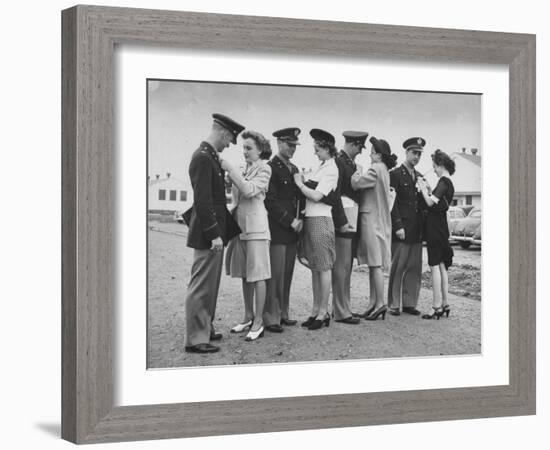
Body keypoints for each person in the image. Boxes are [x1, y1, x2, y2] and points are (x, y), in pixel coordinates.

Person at [184, 113, 245, 354]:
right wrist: (213, 234)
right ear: (222, 132)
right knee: (201, 285)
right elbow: (203, 201)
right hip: (208, 234)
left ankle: (205, 328)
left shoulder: (210, 157)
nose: (229, 144)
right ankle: (196, 339)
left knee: (210, 285)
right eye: (230, 138)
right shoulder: (202, 158)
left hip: (215, 232)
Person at [222, 130, 273, 341]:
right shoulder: (242, 168)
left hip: (257, 229)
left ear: (260, 150)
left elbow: (250, 190)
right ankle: (248, 316)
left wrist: (231, 172)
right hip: (240, 227)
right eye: (243, 147)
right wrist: (229, 179)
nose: (244, 152)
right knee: (245, 274)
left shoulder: (265, 169)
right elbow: (235, 192)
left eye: (249, 148)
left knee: (258, 275)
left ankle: (259, 321)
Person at [293, 129, 339, 330]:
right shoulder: (321, 167)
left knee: (324, 267)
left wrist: (300, 185)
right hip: (312, 219)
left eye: (317, 149)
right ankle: (315, 310)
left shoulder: (331, 169)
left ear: (327, 149)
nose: (315, 153)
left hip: (321, 219)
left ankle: (323, 312)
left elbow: (318, 196)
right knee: (315, 268)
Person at [263, 127, 304, 333]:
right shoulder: (271, 167)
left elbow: (299, 198)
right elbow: (270, 201)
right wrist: (290, 221)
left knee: (287, 273)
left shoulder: (294, 169)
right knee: (276, 274)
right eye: (289, 145)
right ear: (279, 143)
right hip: (279, 228)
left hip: (292, 230)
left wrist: (300, 220)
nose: (292, 149)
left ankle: (284, 312)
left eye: (295, 146)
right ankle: (271, 316)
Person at [351, 136, 397, 320]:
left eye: (372, 152)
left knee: (375, 264)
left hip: (372, 221)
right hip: (380, 221)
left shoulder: (375, 169)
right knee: (373, 264)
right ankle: (373, 303)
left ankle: (379, 304)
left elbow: (356, 183)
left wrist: (355, 173)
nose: (369, 154)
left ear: (378, 155)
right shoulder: (384, 169)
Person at [330, 131, 369, 325]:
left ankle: (342, 307)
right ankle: (341, 311)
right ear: (353, 144)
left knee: (346, 267)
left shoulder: (349, 163)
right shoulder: (339, 162)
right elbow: (336, 194)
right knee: (341, 267)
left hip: (350, 221)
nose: (359, 152)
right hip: (343, 223)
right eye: (359, 148)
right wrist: (341, 221)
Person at [387, 137, 427, 316]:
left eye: (419, 154)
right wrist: (397, 226)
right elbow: (391, 203)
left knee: (414, 267)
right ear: (406, 152)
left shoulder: (420, 177)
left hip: (416, 230)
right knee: (398, 267)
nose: (416, 157)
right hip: (402, 228)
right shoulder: (395, 174)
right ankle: (394, 303)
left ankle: (410, 302)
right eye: (414, 153)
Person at [417, 149, 456, 319]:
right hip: (442, 228)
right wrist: (428, 188)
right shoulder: (448, 183)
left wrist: (421, 188)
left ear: (440, 165)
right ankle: (445, 303)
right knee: (441, 267)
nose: (433, 169)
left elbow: (429, 203)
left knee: (434, 267)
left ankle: (436, 307)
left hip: (434, 229)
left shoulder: (443, 182)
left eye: (434, 166)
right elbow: (437, 201)